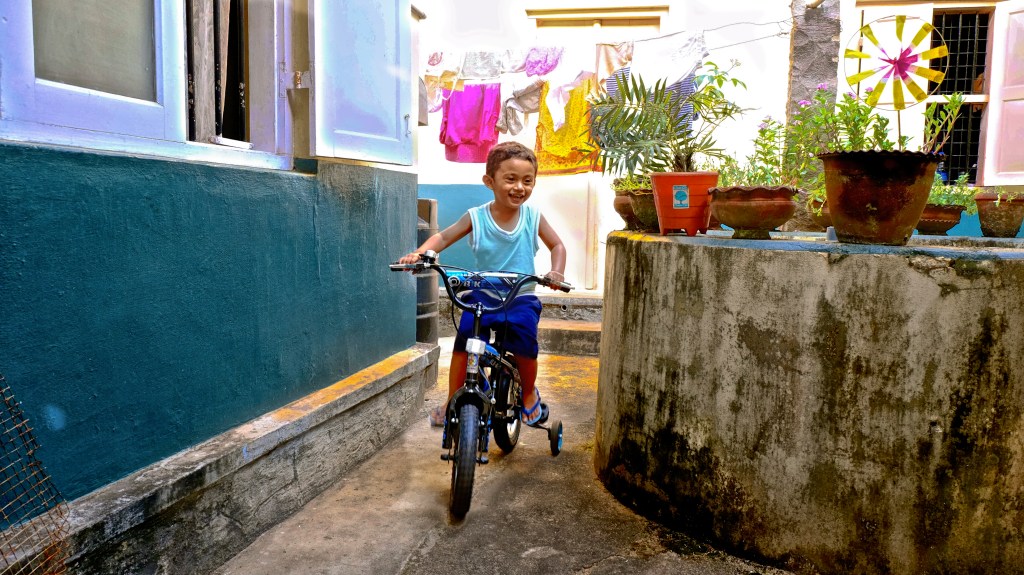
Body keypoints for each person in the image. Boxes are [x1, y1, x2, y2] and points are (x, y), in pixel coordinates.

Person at [398, 141, 567, 427]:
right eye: (510, 179)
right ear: (489, 181)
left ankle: (527, 394)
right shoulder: (476, 216)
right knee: (464, 341)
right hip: (483, 294)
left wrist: (556, 272)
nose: (519, 187)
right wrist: (422, 254)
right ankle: (453, 396)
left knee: (526, 345)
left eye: (528, 181)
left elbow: (557, 245)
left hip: (520, 296)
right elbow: (442, 238)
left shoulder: (533, 217)